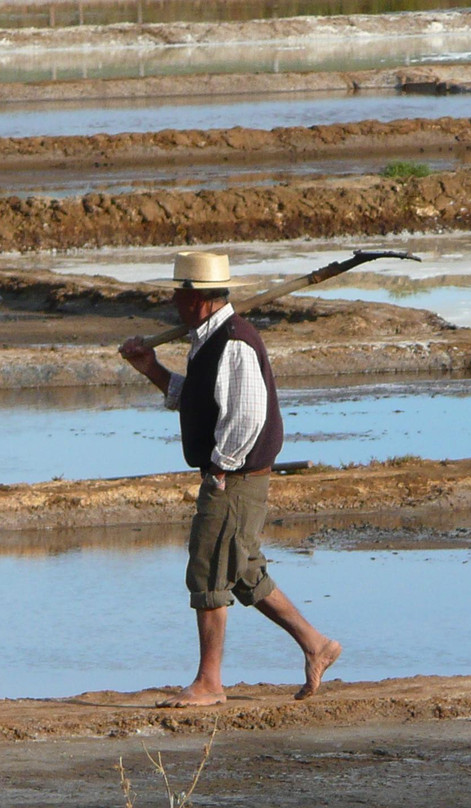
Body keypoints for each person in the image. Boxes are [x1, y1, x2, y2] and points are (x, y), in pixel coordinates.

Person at [119, 251, 342, 707]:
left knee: (208, 568)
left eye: (179, 293)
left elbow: (246, 416)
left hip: (235, 477)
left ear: (196, 299)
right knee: (239, 569)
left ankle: (209, 682)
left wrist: (221, 469)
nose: (173, 302)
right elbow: (197, 399)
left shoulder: (235, 341)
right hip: (233, 474)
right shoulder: (209, 338)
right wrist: (151, 369)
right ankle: (316, 645)